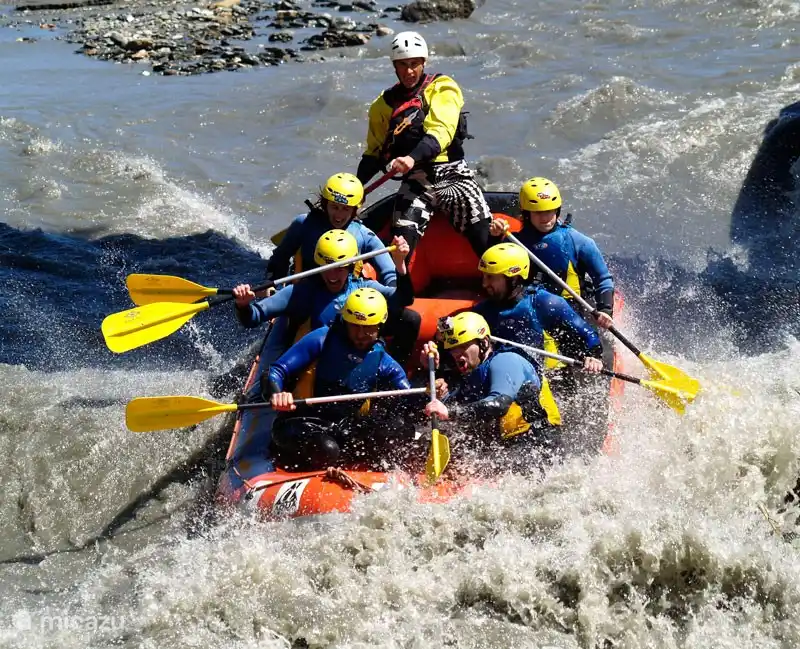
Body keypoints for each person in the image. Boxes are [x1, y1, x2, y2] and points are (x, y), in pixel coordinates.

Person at [356, 31, 494, 260]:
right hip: (416, 179)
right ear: (394, 66)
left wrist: (411, 157)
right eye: (402, 65)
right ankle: (401, 282)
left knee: (481, 232)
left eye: (414, 64)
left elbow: (441, 131)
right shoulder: (382, 105)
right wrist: (355, 188)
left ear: (424, 62)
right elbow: (374, 153)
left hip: (451, 172)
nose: (409, 71)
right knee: (401, 245)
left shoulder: (442, 87)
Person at [267, 289, 419, 470]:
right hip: (304, 420)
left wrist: (432, 398)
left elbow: (409, 396)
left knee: (400, 428)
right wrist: (277, 394)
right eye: (354, 326)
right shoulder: (322, 338)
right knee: (327, 449)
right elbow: (277, 370)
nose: (360, 334)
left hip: (344, 427)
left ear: (380, 325)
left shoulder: (384, 362)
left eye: (368, 327)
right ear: (345, 321)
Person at [233, 229, 420, 368]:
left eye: (340, 268)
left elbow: (403, 300)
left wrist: (400, 265)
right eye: (327, 268)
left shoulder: (364, 287)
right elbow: (253, 317)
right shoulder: (301, 292)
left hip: (359, 361)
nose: (332, 276)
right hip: (319, 367)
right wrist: (243, 305)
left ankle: (399, 369)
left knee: (410, 319)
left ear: (350, 267)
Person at [423, 312, 563, 474]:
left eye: (463, 346)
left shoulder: (506, 361)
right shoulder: (475, 374)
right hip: (511, 447)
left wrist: (450, 412)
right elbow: (466, 411)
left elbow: (498, 405)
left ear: (483, 343)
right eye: (453, 349)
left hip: (539, 445)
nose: (456, 354)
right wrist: (441, 394)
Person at [490, 177, 615, 332]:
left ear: (557, 210)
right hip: (529, 310)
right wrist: (494, 237)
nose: (545, 218)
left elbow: (602, 279)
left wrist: (605, 310)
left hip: (571, 313)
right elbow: (493, 270)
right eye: (538, 212)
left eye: (549, 211)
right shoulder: (514, 241)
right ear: (527, 213)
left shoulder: (577, 241)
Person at [472, 242, 604, 372]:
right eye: (484, 276)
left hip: (547, 377)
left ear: (513, 278)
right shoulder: (481, 312)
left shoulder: (544, 303)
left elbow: (589, 335)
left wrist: (593, 356)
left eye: (491, 277)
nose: (484, 284)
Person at [265, 172, 397, 286]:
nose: (339, 215)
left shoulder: (364, 236)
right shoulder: (304, 223)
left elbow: (389, 273)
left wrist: (394, 288)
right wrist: (273, 287)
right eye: (334, 207)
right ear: (325, 204)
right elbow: (279, 259)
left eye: (345, 209)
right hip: (305, 292)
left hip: (344, 297)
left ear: (354, 209)